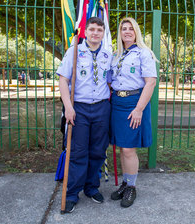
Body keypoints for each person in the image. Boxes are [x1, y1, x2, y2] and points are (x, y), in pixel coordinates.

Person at [56, 17, 112, 213]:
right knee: (78, 152)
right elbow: (63, 81)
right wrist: (68, 107)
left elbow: (111, 82)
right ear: (85, 32)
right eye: (92, 29)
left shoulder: (108, 55)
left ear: (103, 33)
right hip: (78, 108)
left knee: (97, 151)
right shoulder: (74, 52)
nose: (95, 33)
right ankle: (72, 193)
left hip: (101, 109)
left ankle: (91, 187)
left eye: (99, 30)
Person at [109, 17, 157, 208]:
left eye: (131, 28)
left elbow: (150, 82)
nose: (127, 31)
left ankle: (132, 187)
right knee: (122, 146)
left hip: (134, 103)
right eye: (123, 29)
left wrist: (139, 109)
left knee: (129, 149)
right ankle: (125, 182)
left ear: (136, 32)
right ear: (119, 33)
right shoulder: (116, 55)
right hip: (117, 103)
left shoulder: (143, 53)